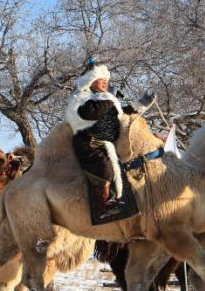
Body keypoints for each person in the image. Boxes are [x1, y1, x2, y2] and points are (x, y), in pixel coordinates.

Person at [65, 60, 153, 219]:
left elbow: (122, 115)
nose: (105, 81)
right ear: (91, 80)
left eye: (106, 79)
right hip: (88, 142)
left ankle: (129, 202)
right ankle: (103, 206)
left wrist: (141, 104)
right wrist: (109, 98)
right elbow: (92, 113)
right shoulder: (80, 97)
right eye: (101, 79)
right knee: (103, 166)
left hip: (109, 144)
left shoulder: (104, 99)